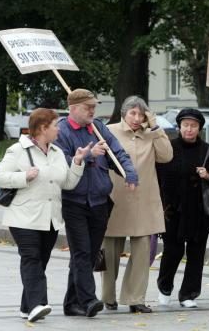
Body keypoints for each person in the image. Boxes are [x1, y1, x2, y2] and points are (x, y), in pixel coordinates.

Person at [0, 108, 91, 322]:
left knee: (41, 261)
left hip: (50, 219)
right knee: (31, 258)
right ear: (42, 128)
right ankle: (38, 304)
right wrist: (23, 177)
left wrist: (77, 162)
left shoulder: (56, 153)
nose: (58, 129)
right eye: (55, 125)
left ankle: (26, 306)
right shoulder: (18, 150)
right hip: (23, 217)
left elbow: (68, 183)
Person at [55, 88, 138, 318]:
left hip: (100, 201)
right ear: (73, 108)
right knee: (81, 252)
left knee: (89, 254)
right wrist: (89, 155)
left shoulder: (98, 128)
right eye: (87, 107)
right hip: (74, 202)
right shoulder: (61, 132)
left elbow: (118, 153)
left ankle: (71, 303)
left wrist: (129, 173)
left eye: (94, 106)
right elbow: (60, 165)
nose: (93, 110)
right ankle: (89, 300)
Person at [101, 96, 173, 313]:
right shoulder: (109, 131)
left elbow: (167, 156)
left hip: (144, 200)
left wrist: (155, 126)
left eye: (141, 114)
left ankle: (135, 298)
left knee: (142, 252)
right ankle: (108, 297)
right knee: (110, 251)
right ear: (124, 113)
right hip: (116, 198)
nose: (136, 118)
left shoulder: (152, 134)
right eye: (132, 113)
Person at [156, 108, 209, 308]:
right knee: (172, 251)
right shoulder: (168, 148)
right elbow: (156, 176)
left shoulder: (208, 151)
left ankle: (189, 293)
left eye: (193, 126)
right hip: (172, 210)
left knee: (196, 253)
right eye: (185, 125)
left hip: (198, 212)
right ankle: (164, 287)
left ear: (199, 128)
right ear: (179, 126)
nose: (189, 129)